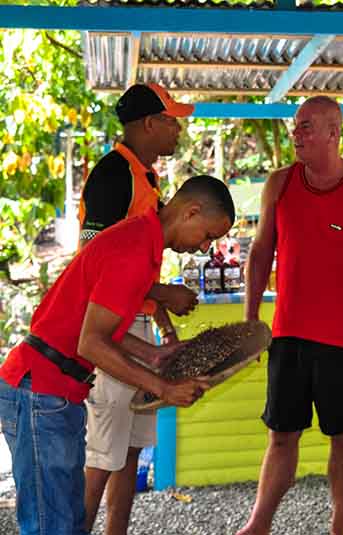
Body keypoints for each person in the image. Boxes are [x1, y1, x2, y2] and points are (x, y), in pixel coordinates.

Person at [0, 175, 235, 535]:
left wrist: (155, 354)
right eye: (208, 236)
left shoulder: (141, 238)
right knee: (53, 526)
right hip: (40, 391)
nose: (205, 248)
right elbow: (91, 343)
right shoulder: (134, 249)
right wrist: (163, 388)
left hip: (54, 392)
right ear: (192, 212)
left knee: (68, 523)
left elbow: (100, 327)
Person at [237, 96, 343, 535]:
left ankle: (339, 523)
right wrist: (251, 321)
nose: (296, 134)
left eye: (306, 126)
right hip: (287, 334)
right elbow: (260, 253)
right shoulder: (279, 183)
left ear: (332, 132)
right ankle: (258, 524)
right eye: (295, 127)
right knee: (281, 435)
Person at [78, 82, 198, 535]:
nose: (178, 130)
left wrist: (162, 320)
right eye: (172, 121)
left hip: (136, 321)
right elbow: (96, 264)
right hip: (107, 330)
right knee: (102, 453)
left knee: (129, 449)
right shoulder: (114, 175)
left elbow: (145, 259)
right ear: (149, 124)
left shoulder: (145, 176)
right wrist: (165, 294)